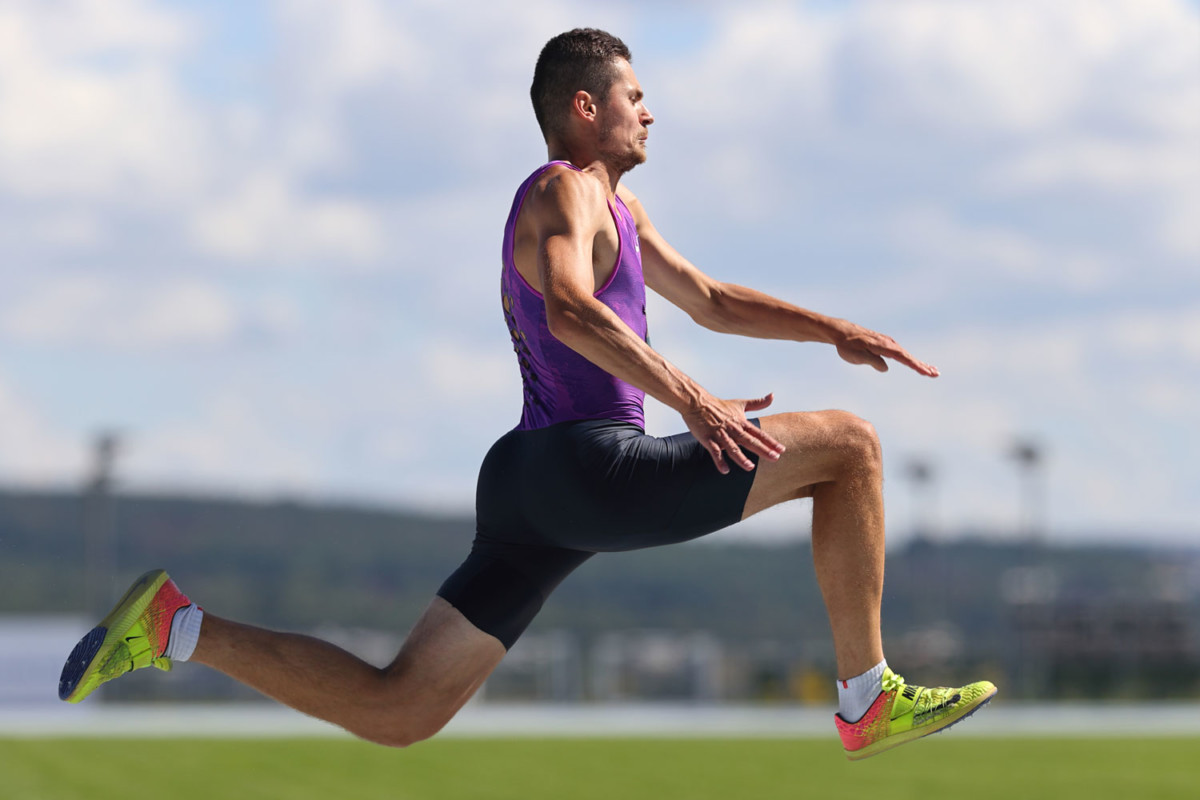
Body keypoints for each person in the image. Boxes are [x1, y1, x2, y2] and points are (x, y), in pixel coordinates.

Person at [59, 28, 995, 761]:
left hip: (531, 488)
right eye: (635, 97)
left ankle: (177, 628)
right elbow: (569, 310)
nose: (650, 113)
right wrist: (690, 400)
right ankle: (866, 698)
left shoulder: (618, 208)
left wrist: (834, 330)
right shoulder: (563, 191)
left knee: (400, 709)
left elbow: (710, 300)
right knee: (852, 447)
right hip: (588, 465)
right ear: (586, 107)